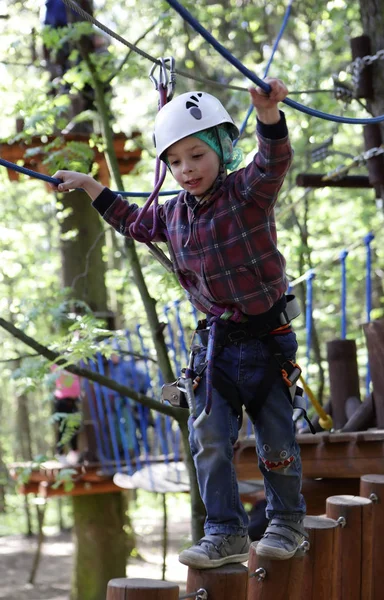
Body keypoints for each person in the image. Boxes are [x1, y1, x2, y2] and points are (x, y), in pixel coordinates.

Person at [51, 77, 307, 569]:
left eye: (196, 155)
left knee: (275, 438)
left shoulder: (246, 194)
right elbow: (131, 220)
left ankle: (287, 522)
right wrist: (89, 185)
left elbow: (273, 161)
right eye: (174, 161)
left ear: (220, 149)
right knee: (208, 438)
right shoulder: (172, 216)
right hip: (215, 348)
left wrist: (268, 116)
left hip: (266, 341)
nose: (185, 169)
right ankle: (225, 531)